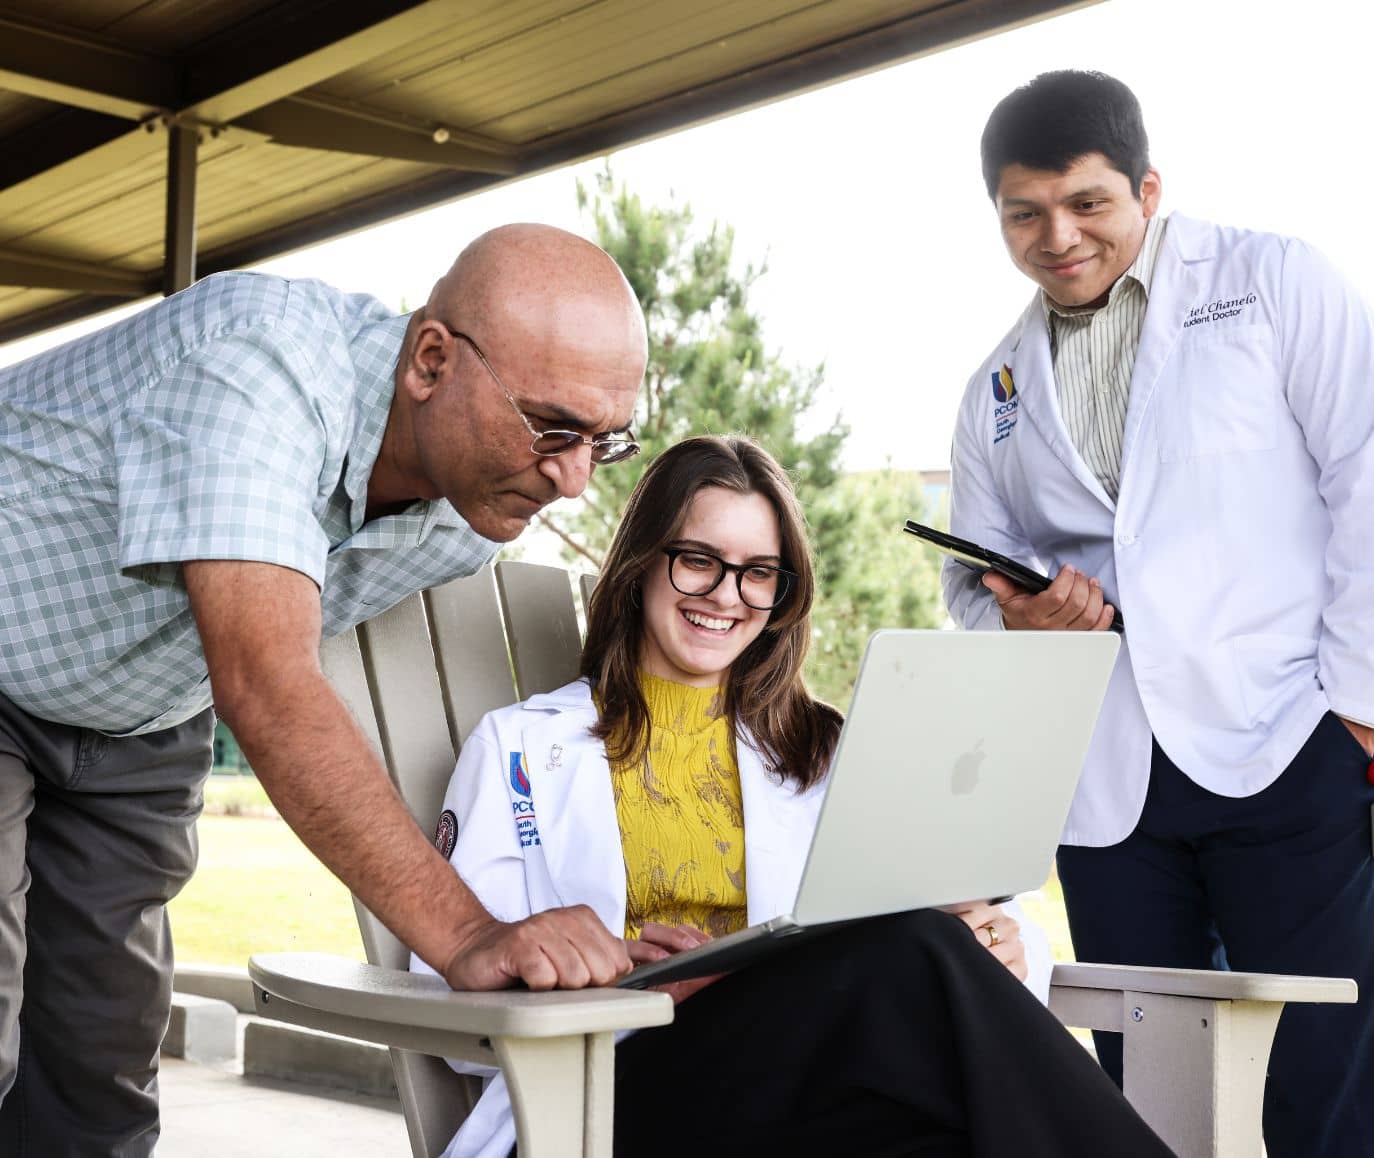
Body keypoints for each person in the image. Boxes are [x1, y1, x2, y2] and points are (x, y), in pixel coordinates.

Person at [0, 223, 651, 1155]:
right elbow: (268, 684)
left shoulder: (476, 507)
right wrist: (467, 936)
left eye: (605, 440)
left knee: (96, 1085)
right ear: (430, 359)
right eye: (553, 427)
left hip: (139, 717)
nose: (575, 477)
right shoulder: (258, 367)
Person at [414, 434, 1175, 1158]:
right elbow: (452, 984)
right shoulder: (518, 747)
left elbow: (954, 916)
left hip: (804, 1099)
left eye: (758, 573)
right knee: (910, 953)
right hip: (607, 1098)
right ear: (644, 563)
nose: (727, 595)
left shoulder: (819, 751)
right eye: (698, 561)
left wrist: (1009, 947)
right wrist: (620, 982)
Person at [943, 69, 1374, 1158]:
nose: (1058, 238)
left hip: (1288, 741)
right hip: (1109, 788)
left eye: (1088, 203)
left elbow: (1366, 476)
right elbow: (965, 589)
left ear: (1148, 188)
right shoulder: (993, 390)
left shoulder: (1273, 281)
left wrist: (1358, 713)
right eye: (1024, 213)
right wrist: (1025, 627)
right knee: (1151, 1093)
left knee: (1323, 1080)